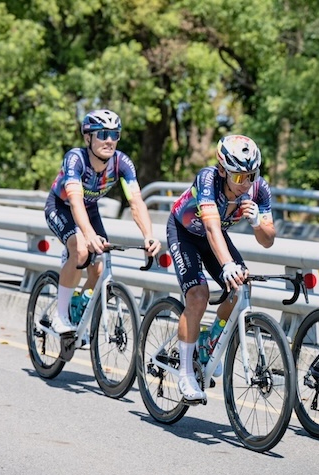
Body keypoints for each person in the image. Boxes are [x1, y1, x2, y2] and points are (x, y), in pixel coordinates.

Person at [167, 135, 275, 401]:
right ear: (222, 170)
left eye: (251, 175)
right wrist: (227, 264)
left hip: (213, 237)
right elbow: (213, 227)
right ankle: (185, 375)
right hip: (185, 233)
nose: (246, 183)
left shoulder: (259, 189)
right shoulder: (207, 179)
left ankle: (209, 342)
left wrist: (257, 222)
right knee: (198, 295)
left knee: (241, 286)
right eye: (239, 177)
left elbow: (268, 240)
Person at [44, 109, 162, 333]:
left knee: (100, 269)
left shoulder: (122, 163)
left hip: (89, 210)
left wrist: (148, 236)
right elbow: (75, 201)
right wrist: (87, 236)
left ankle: (78, 308)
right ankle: (59, 316)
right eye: (103, 134)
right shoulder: (75, 159)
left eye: (115, 134)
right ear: (88, 137)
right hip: (62, 207)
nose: (109, 140)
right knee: (79, 249)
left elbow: (136, 202)